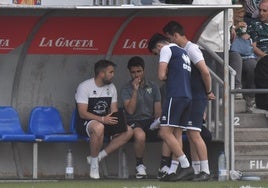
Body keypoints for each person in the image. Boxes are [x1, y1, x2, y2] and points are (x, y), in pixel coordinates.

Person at [161, 21, 215, 181]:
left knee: (194, 133)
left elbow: (205, 72)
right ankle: (196, 169)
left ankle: (205, 170)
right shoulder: (182, 51)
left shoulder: (191, 49)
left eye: (169, 38)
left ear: (176, 35)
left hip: (197, 96)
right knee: (189, 133)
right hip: (189, 96)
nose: (169, 42)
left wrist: (208, 92)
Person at [75, 59, 133, 179]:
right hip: (86, 122)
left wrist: (117, 125)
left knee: (128, 131)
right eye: (111, 72)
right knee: (98, 127)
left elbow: (114, 111)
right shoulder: (84, 87)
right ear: (101, 74)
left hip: (104, 120)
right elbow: (82, 113)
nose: (113, 75)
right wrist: (102, 119)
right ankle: (94, 166)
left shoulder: (111, 87)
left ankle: (97, 157)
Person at [148, 33, 194, 181]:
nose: (158, 56)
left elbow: (161, 75)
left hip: (175, 94)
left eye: (156, 53)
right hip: (187, 96)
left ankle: (186, 166)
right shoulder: (183, 51)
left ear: (159, 46)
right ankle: (173, 170)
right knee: (177, 134)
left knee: (164, 132)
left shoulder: (167, 50)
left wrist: (168, 75)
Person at [120, 56, 162, 179]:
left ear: (144, 71)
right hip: (133, 121)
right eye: (133, 72)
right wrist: (135, 90)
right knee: (140, 135)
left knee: (168, 132)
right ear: (129, 73)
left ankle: (165, 165)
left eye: (139, 71)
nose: (136, 75)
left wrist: (157, 122)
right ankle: (140, 165)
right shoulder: (126, 89)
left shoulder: (153, 87)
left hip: (150, 122)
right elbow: (130, 111)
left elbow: (158, 111)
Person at [192, 0, 244, 99]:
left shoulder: (227, 1)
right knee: (208, 82)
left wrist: (231, 27)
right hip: (204, 45)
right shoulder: (199, 1)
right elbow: (198, 19)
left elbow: (228, 19)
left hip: (223, 46)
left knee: (221, 81)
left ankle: (221, 106)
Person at [231, 1, 258, 112]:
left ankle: (250, 97)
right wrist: (235, 28)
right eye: (237, 13)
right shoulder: (228, 23)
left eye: (242, 13)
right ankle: (237, 89)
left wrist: (248, 35)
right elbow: (226, 40)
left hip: (247, 53)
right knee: (236, 58)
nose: (240, 16)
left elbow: (254, 40)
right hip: (231, 51)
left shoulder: (249, 22)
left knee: (252, 65)